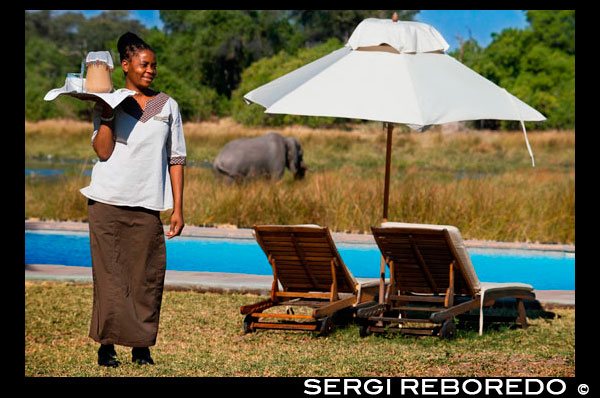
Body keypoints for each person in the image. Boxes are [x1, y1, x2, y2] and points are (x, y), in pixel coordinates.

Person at [79, 32, 186, 367]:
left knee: (147, 277)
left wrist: (178, 208)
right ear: (125, 65)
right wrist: (106, 112)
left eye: (154, 65)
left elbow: (177, 158)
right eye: (144, 64)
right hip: (107, 201)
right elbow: (103, 150)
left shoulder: (167, 106)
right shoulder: (107, 99)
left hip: (147, 204)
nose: (150, 70)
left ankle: (141, 347)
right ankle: (106, 346)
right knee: (110, 278)